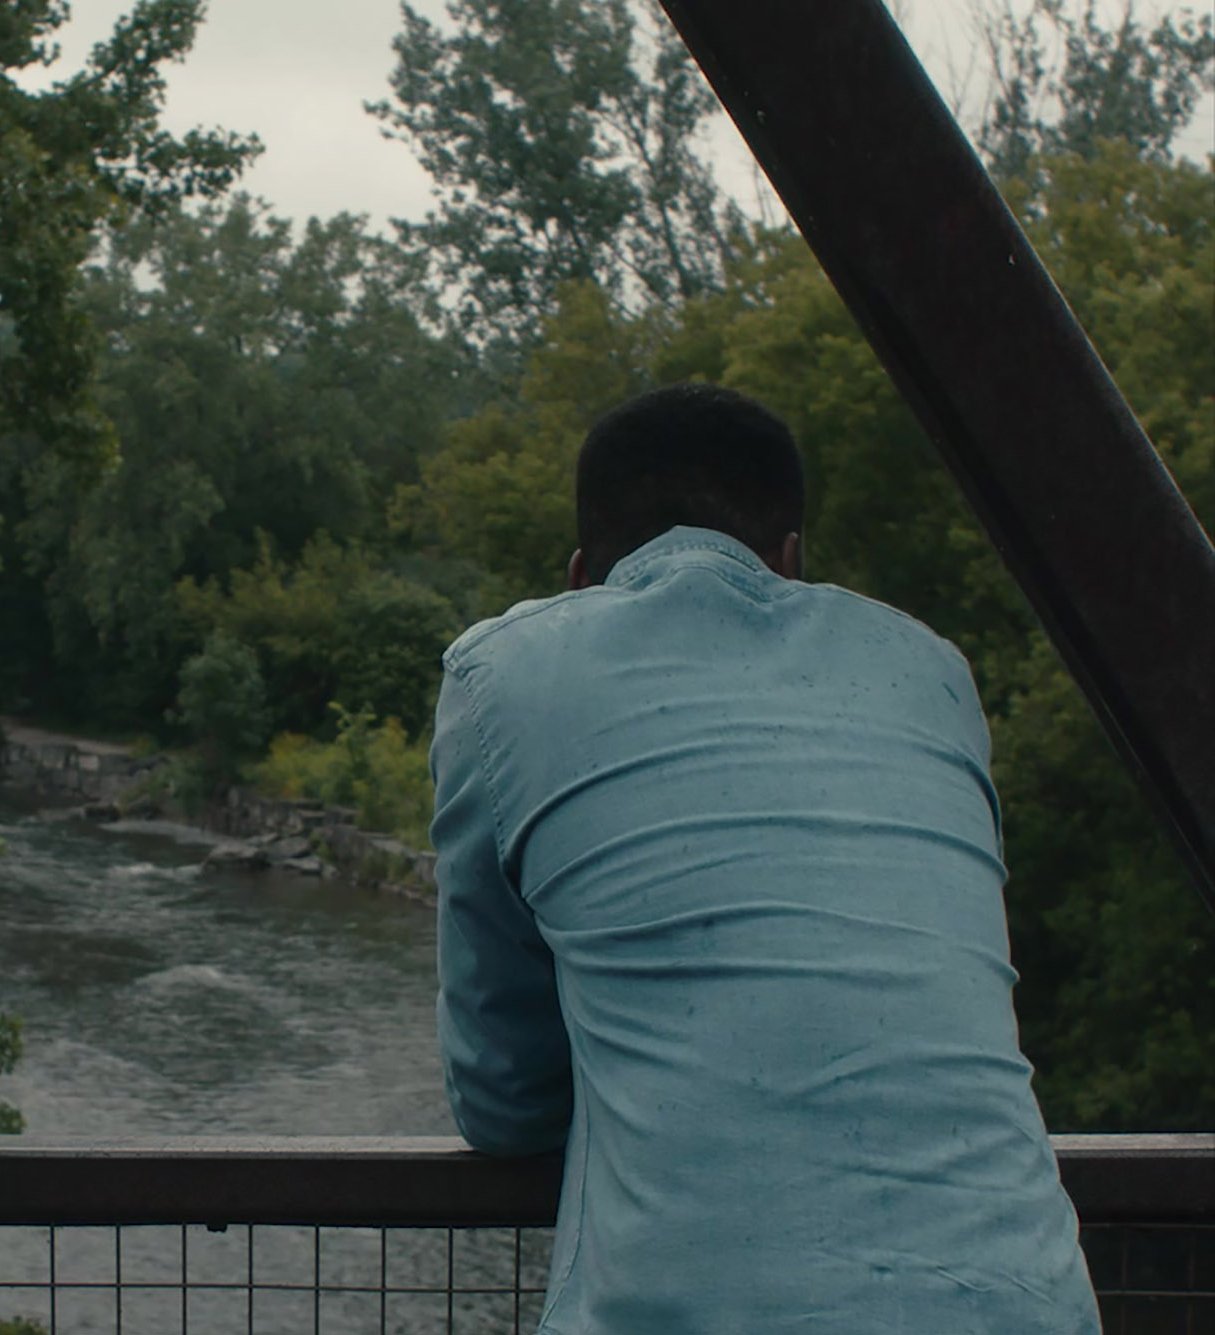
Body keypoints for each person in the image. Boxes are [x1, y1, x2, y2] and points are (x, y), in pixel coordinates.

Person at [430, 384, 1098, 1332]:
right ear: (790, 561)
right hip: (1028, 1306)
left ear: (582, 579)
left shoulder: (505, 675)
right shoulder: (932, 672)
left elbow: (502, 1100)